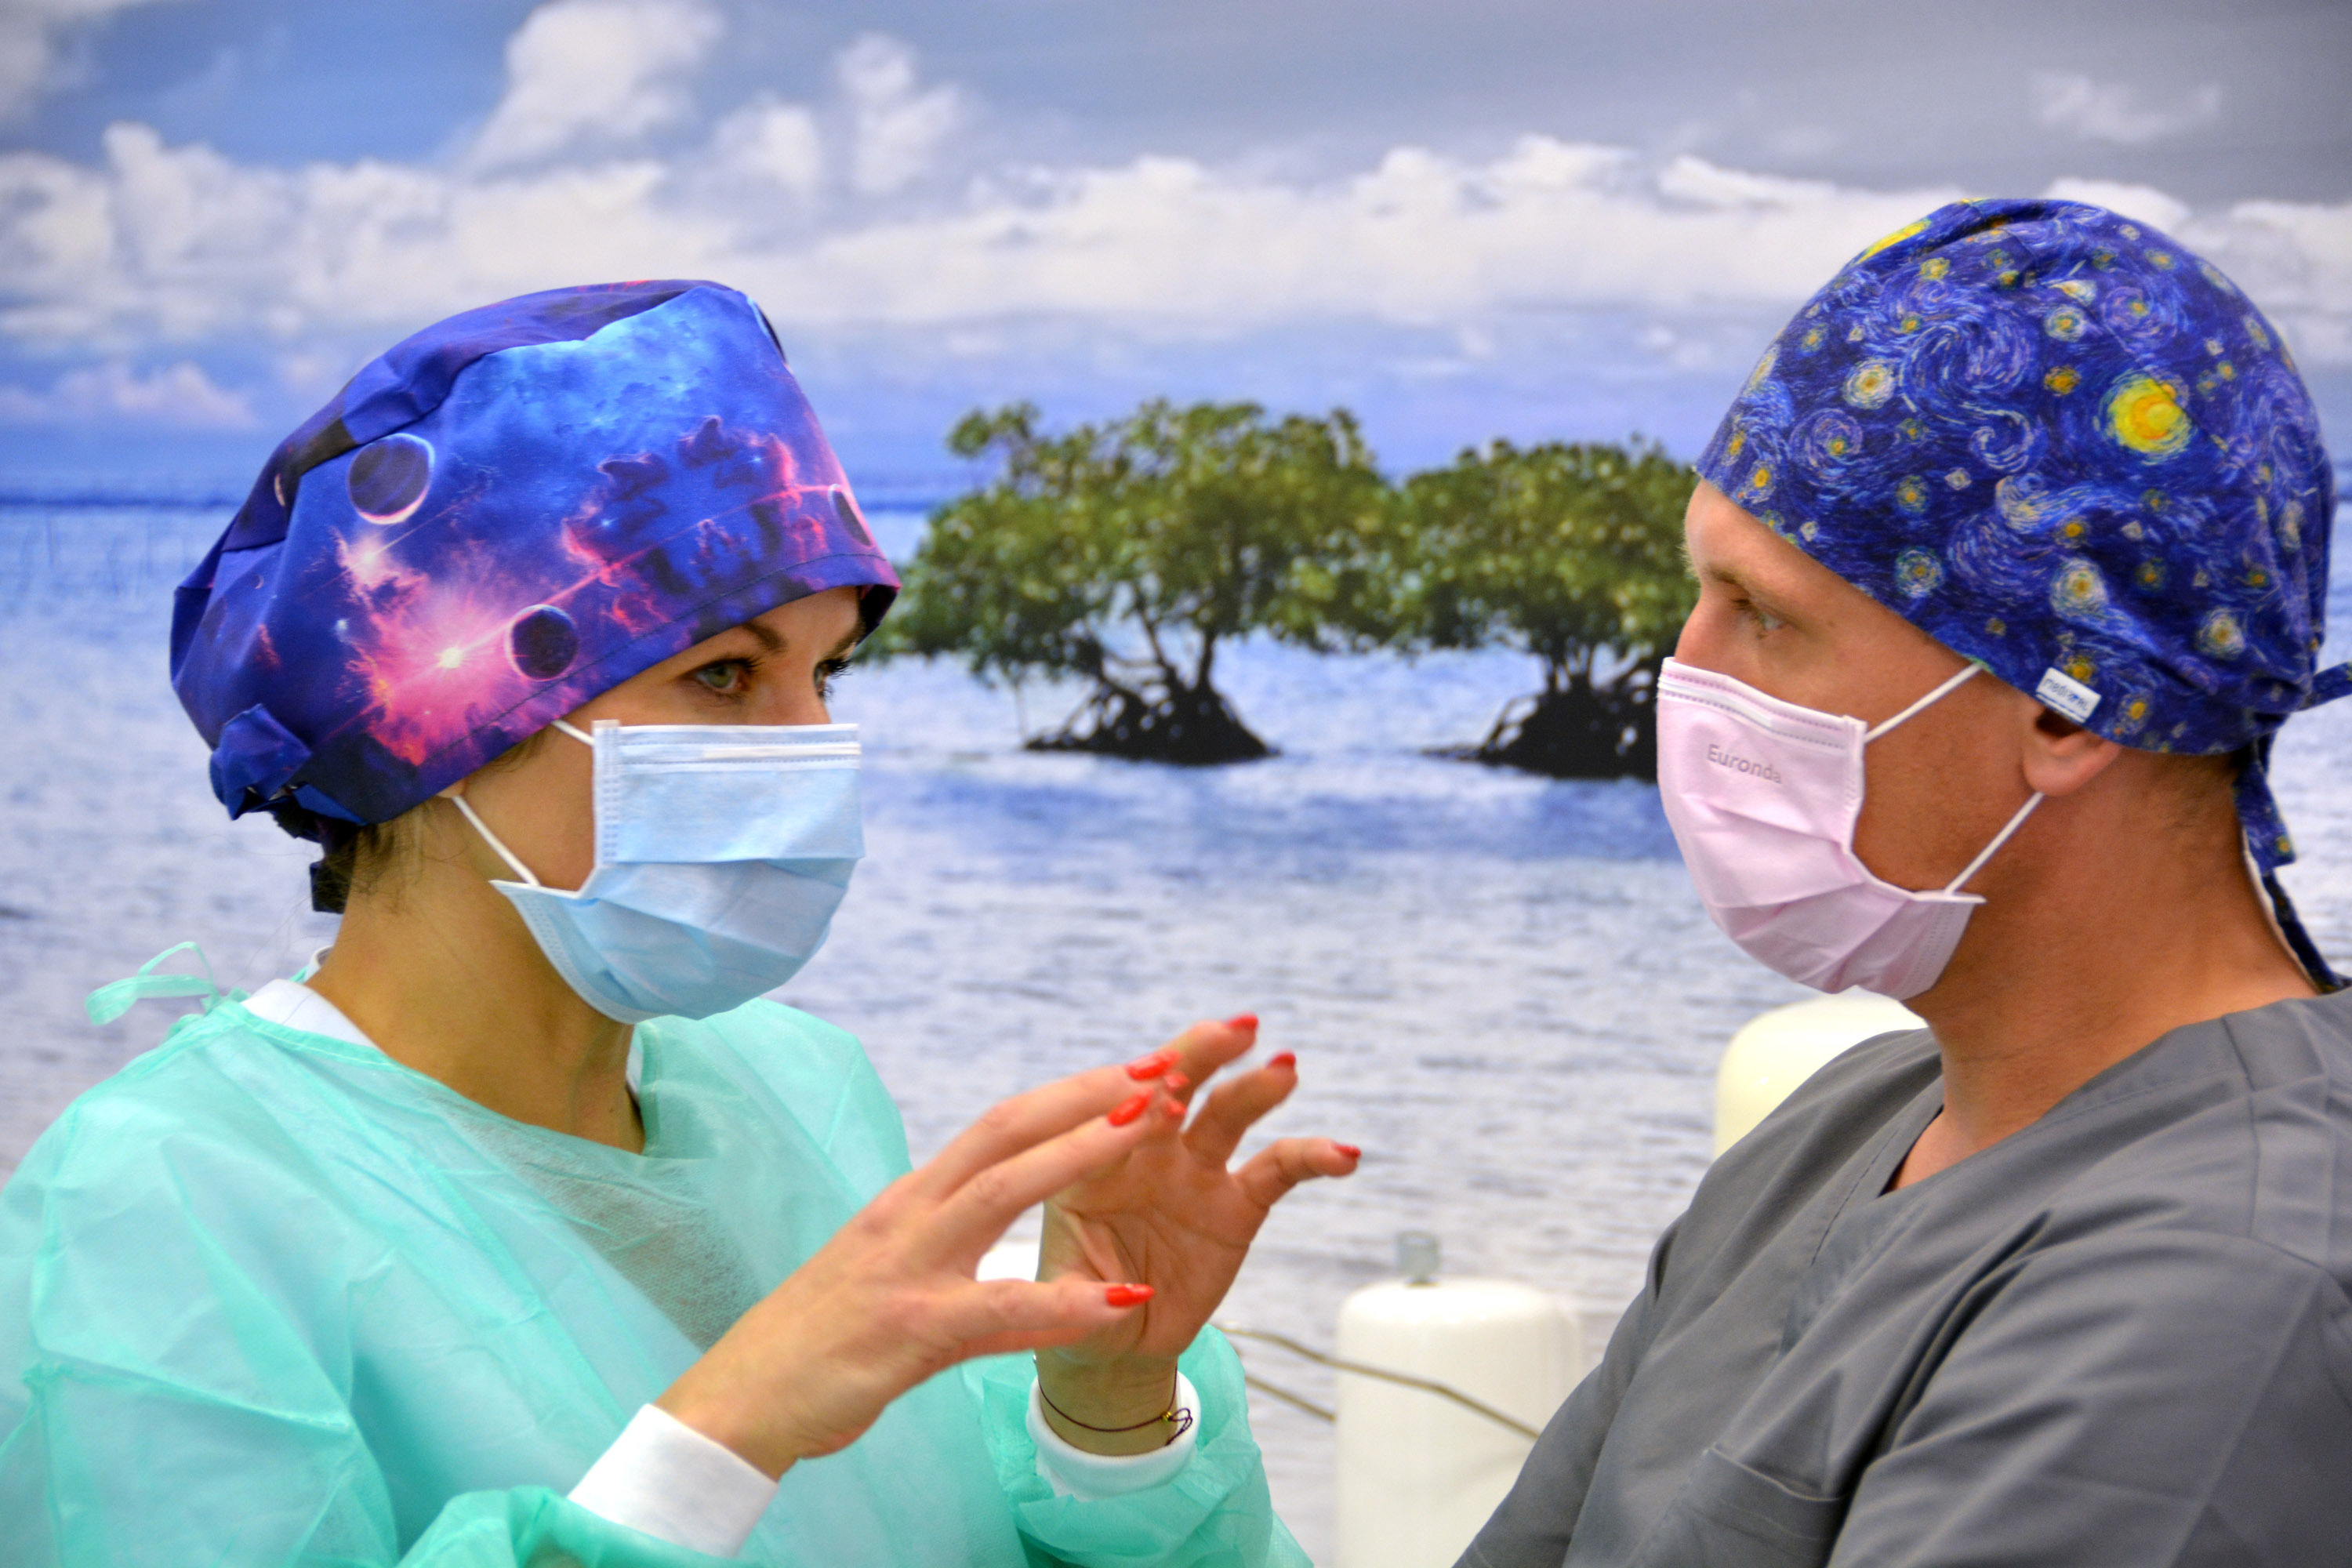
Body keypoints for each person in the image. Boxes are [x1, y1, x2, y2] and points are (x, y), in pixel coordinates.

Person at [0, 280, 1359, 1566]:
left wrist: (1103, 1413)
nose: (811, 745)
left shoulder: (799, 1088)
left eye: (828, 673)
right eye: (723, 673)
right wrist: (722, 1434)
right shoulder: (164, 1206)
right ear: (438, 724)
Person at [1464, 198, 2352, 1566]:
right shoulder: (1842, 1130)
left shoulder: (2221, 1293)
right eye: (1699, 596)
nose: (1684, 673)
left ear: (2069, 706)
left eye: (1764, 616)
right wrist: (1135, 1435)